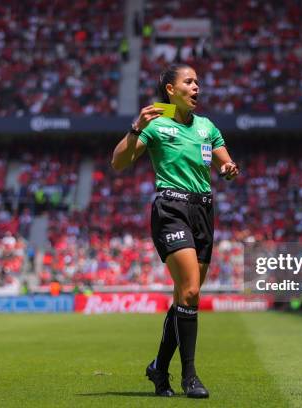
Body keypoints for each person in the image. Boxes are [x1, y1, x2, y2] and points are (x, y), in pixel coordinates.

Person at [111, 63, 239, 398]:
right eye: (189, 81)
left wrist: (227, 167)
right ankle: (190, 377)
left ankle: (158, 369)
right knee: (192, 292)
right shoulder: (156, 123)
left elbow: (224, 160)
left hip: (204, 211)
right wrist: (135, 128)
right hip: (171, 209)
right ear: (171, 90)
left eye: (198, 82)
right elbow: (118, 162)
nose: (196, 87)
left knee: (184, 297)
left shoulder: (206, 126)